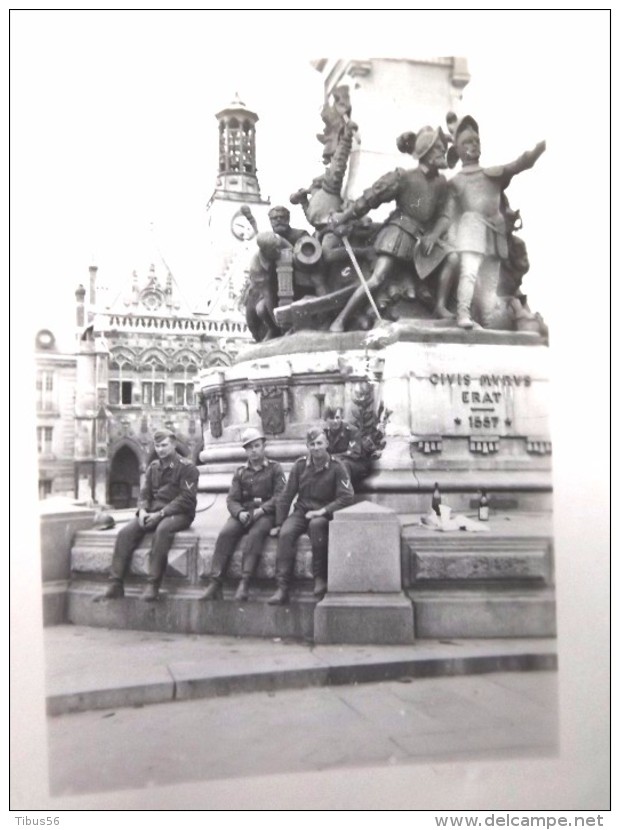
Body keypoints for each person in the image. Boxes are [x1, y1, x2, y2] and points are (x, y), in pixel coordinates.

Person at [328, 125, 452, 332]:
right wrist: (344, 216)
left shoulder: (441, 183)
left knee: (450, 259)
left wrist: (434, 235)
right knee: (377, 279)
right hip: (398, 234)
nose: (443, 152)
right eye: (438, 148)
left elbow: (444, 215)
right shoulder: (404, 177)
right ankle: (340, 320)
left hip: (422, 241)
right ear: (427, 153)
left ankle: (440, 307)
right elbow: (371, 198)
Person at [432, 115, 546, 329]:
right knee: (469, 272)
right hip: (471, 229)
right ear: (456, 149)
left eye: (476, 141)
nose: (473, 145)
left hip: (494, 232)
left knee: (490, 286)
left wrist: (541, 147)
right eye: (466, 142)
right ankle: (462, 314)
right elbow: (447, 214)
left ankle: (486, 321)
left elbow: (521, 163)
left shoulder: (493, 174)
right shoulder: (456, 182)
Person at [94, 429, 199, 602]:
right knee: (125, 533)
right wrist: (142, 511)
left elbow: (187, 498)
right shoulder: (153, 467)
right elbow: (144, 494)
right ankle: (115, 583)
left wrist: (161, 514)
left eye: (164, 445)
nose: (160, 449)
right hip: (153, 512)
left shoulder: (187, 467)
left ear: (173, 444)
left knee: (163, 531)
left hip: (179, 513)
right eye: (157, 446)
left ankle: (153, 585)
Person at [267, 426, 354, 605]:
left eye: (319, 443)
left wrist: (323, 511)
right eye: (312, 444)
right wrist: (279, 523)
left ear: (327, 444)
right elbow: (286, 496)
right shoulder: (300, 466)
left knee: (317, 526)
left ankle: (320, 578)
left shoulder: (338, 467)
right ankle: (282, 587)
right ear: (307, 446)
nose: (316, 448)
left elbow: (347, 496)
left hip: (323, 512)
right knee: (286, 533)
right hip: (302, 511)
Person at [200, 428, 286, 602]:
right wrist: (239, 514)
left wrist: (262, 510)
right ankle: (215, 582)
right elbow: (232, 499)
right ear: (245, 450)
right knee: (225, 533)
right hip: (245, 512)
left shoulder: (275, 469)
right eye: (249, 447)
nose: (253, 450)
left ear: (263, 446)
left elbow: (280, 496)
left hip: (265, 513)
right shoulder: (240, 472)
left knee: (256, 535)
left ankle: (245, 582)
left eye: (257, 446)